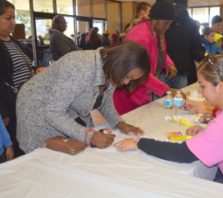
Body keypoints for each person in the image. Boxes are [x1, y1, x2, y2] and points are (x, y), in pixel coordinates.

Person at [115, 55, 223, 195]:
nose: (201, 92)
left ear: (221, 87)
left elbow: (182, 154)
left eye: (203, 86)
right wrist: (210, 131)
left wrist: (140, 142)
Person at [16, 41, 150, 153]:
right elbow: (53, 112)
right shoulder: (80, 67)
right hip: (37, 110)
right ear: (119, 63)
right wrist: (89, 136)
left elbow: (104, 102)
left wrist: (120, 123)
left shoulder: (112, 69)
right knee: (42, 159)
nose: (126, 82)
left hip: (61, 109)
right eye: (127, 77)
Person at [113, 0, 178, 115]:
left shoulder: (157, 32)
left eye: (170, 24)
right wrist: (166, 90)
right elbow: (139, 71)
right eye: (165, 23)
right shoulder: (140, 36)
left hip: (142, 91)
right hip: (129, 93)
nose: (167, 27)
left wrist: (168, 63)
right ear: (155, 20)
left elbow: (160, 52)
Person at [0, 0, 33, 157]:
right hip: (9, 104)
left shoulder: (14, 42)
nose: (13, 22)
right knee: (15, 143)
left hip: (24, 101)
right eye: (8, 18)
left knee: (25, 140)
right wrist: (3, 110)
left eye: (14, 18)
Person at [164, 0, 205, 88]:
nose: (175, 9)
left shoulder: (191, 25)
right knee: (160, 101)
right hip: (163, 72)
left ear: (185, 7)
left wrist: (205, 60)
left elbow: (196, 48)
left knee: (181, 100)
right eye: (173, 6)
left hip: (182, 73)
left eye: (178, 7)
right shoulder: (165, 21)